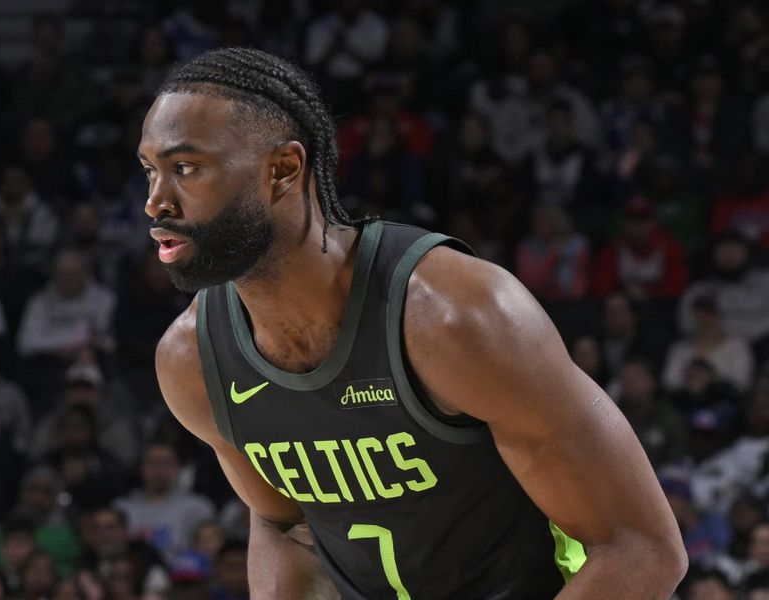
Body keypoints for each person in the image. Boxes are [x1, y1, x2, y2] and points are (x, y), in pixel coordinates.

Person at [138, 47, 686, 598]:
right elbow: (286, 525)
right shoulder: (191, 363)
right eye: (150, 171)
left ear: (283, 170)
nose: (155, 202)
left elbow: (641, 550)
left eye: (185, 169)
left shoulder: (455, 316)